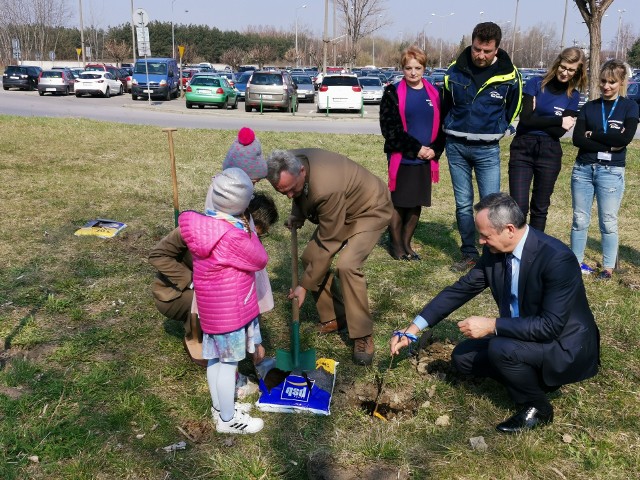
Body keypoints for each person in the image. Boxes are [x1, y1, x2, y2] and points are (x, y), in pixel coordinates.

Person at [390, 193, 600, 433]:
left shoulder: (556, 259)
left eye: (485, 235)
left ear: (509, 229)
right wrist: (414, 328)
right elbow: (462, 289)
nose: (480, 242)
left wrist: (492, 325)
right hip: (524, 335)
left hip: (564, 345)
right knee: (463, 358)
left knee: (501, 350)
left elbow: (549, 326)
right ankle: (534, 377)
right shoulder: (495, 252)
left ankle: (538, 407)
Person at [265, 148, 393, 366]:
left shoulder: (326, 188)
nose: (288, 195)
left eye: (290, 189)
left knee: (348, 266)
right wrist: (298, 213)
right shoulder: (289, 163)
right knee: (309, 259)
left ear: (302, 172)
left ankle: (362, 334)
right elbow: (300, 192)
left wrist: (304, 286)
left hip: (370, 209)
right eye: (282, 192)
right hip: (341, 209)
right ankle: (336, 315)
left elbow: (328, 243)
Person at [179, 168, 268, 434]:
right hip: (231, 311)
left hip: (211, 309)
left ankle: (220, 408)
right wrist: (248, 228)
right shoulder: (233, 235)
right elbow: (260, 259)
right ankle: (229, 420)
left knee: (215, 359)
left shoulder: (205, 224)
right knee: (229, 364)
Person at [149, 191, 278, 367]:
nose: (252, 239)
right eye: (253, 231)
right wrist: (193, 280)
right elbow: (158, 255)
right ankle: (195, 336)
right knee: (210, 304)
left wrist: (255, 340)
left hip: (216, 293)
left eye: (259, 236)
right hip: (177, 293)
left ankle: (222, 338)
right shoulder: (196, 229)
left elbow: (249, 293)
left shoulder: (248, 243)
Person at [442, 22, 522, 271]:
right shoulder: (454, 71)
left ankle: (492, 254)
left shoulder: (510, 75)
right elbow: (446, 103)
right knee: (463, 203)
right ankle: (468, 253)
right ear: (472, 43)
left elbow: (514, 106)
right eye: (477, 49)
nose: (480, 55)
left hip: (487, 150)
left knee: (492, 205)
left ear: (496, 49)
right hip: (456, 147)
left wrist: (499, 127)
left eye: (487, 51)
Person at [570, 59, 639, 279]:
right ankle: (575, 263)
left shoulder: (630, 106)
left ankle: (608, 268)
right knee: (580, 219)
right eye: (603, 81)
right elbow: (577, 139)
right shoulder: (589, 107)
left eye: (612, 82)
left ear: (621, 82)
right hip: (583, 169)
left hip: (611, 172)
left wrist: (596, 135)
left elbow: (625, 138)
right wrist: (610, 143)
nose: (606, 86)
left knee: (608, 221)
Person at [509, 47, 587, 232]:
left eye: (571, 70)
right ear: (557, 63)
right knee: (518, 207)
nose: (565, 72)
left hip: (549, 152)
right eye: (563, 67)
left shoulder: (573, 96)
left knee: (540, 208)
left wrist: (538, 118)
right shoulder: (535, 84)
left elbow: (558, 133)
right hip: (523, 147)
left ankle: (534, 253)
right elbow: (526, 119)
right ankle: (515, 251)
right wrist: (559, 119)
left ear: (578, 72)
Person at [379, 45, 445, 261]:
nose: (413, 72)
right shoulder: (392, 93)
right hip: (404, 157)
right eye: (408, 68)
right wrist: (417, 149)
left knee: (416, 203)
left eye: (418, 67)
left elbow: (442, 126)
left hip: (427, 158)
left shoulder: (435, 93)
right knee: (399, 203)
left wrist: (434, 150)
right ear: (402, 68)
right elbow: (390, 130)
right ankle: (396, 246)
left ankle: (407, 244)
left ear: (425, 68)